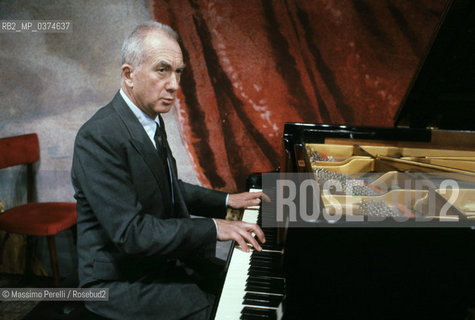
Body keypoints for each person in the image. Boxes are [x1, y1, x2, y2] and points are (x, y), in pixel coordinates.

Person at [71, 21, 265, 320]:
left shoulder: (149, 119)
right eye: (162, 70)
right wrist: (215, 227)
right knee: (221, 309)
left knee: (234, 284)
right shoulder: (98, 136)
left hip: (156, 262)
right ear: (129, 74)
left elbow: (169, 186)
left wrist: (226, 202)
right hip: (118, 281)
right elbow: (131, 233)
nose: (174, 84)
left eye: (178, 72)